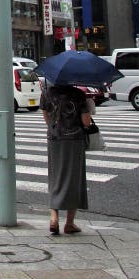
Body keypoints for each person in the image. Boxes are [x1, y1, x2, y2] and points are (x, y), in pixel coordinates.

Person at [40, 84, 94, 235]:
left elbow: (46, 116)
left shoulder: (47, 93)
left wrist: (54, 127)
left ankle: (54, 218)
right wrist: (89, 107)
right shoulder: (78, 94)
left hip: (54, 138)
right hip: (74, 140)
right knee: (74, 179)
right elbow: (86, 122)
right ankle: (69, 223)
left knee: (55, 176)